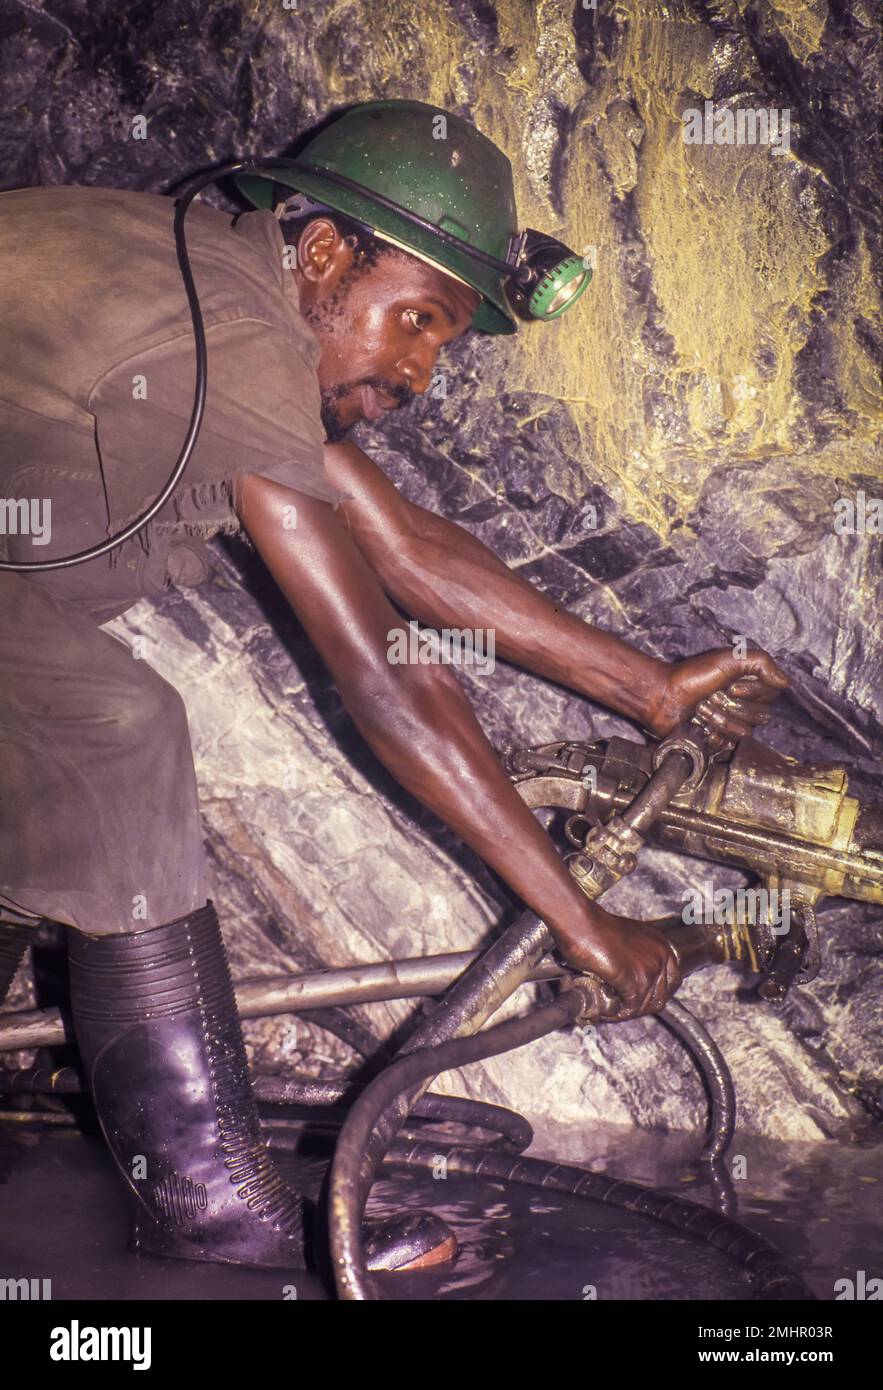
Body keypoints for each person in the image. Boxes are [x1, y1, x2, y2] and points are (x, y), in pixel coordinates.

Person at [0, 99, 787, 1272]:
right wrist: (582, 926)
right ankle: (212, 1207)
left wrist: (651, 688)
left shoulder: (218, 302)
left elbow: (407, 545)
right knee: (115, 732)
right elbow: (387, 676)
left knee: (47, 744)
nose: (420, 370)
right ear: (323, 255)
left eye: (441, 344)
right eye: (414, 321)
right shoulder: (228, 330)